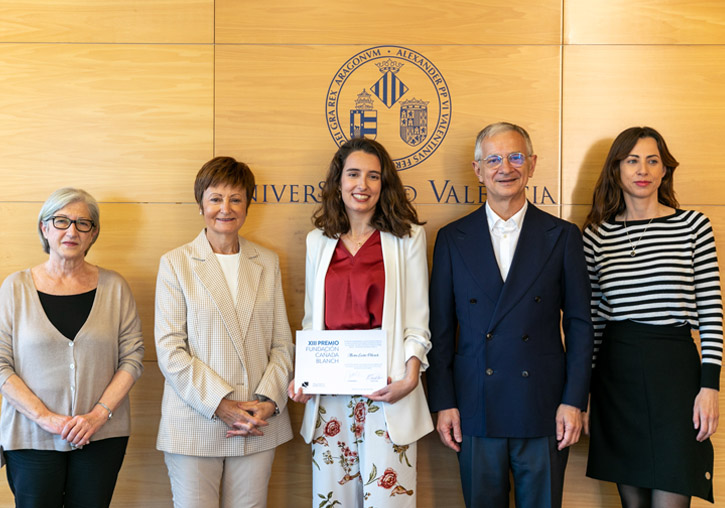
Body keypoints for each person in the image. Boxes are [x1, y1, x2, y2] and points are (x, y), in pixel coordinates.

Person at [427, 122, 594, 508]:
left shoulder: (563, 235)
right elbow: (440, 328)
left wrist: (574, 400)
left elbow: (581, 325)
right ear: (478, 169)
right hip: (473, 406)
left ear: (532, 164)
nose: (506, 167)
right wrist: (444, 401)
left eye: (516, 157)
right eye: (494, 159)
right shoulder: (452, 238)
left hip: (544, 405)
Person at [288, 137, 433, 507]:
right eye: (353, 174)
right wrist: (304, 375)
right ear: (338, 181)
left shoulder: (408, 238)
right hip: (330, 395)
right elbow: (310, 319)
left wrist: (411, 376)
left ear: (384, 185)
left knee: (388, 501)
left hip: (387, 391)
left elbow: (418, 318)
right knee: (333, 500)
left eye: (373, 176)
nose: (362, 185)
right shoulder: (318, 241)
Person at [583, 126, 721, 507]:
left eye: (652, 160)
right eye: (632, 160)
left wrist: (710, 387)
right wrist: (588, 394)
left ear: (665, 170)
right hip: (617, 377)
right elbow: (593, 322)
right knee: (634, 504)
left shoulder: (693, 226)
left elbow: (711, 312)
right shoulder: (596, 235)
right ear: (617, 170)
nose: (642, 169)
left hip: (675, 377)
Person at [155, 156, 294, 507]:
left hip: (257, 422)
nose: (225, 208)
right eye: (216, 198)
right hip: (195, 421)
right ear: (201, 202)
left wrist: (267, 402)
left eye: (236, 198)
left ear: (248, 204)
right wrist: (221, 405)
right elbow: (170, 349)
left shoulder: (267, 261)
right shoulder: (176, 263)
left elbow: (281, 343)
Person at [0, 187, 144, 507]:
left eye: (83, 223)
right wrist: (45, 418)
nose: (71, 231)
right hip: (30, 435)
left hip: (101, 435)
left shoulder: (115, 287)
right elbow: (0, 363)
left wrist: (97, 415)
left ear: (93, 234)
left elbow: (133, 356)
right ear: (45, 228)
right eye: (61, 221)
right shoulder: (14, 288)